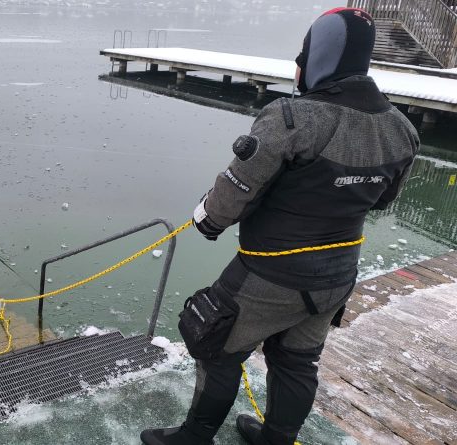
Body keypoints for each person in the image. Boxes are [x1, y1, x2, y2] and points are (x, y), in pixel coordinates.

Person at [141, 8, 419, 445]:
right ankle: (276, 439)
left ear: (320, 56)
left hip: (269, 274)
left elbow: (232, 195)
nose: (297, 65)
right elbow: (384, 199)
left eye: (303, 54)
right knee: (297, 360)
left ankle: (195, 437)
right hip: (338, 275)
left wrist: (208, 219)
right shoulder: (402, 129)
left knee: (216, 348)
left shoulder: (292, 118)